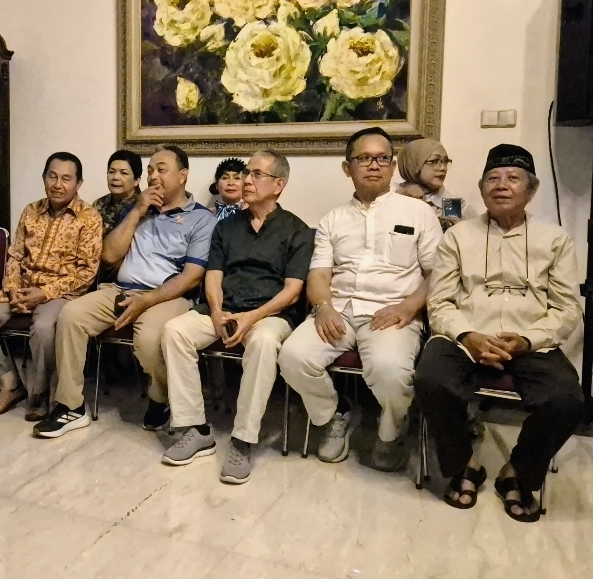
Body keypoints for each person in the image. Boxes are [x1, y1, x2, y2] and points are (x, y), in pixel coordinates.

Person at [416, 144, 584, 522]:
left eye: (513, 178)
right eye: (492, 178)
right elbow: (439, 302)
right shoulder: (458, 237)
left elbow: (566, 308)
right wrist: (468, 336)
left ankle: (519, 471)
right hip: (465, 337)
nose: (501, 185)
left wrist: (527, 340)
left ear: (531, 190)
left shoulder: (554, 239)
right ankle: (465, 464)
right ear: (481, 189)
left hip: (531, 340)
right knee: (430, 379)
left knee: (566, 399)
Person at [278, 127, 442, 471]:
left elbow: (437, 273)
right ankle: (334, 414)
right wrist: (323, 307)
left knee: (391, 372)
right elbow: (319, 274)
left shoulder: (419, 213)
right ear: (347, 168)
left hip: (392, 313)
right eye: (364, 158)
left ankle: (390, 432)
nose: (374, 165)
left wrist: (408, 307)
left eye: (382, 158)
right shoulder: (333, 219)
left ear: (393, 166)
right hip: (339, 310)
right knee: (293, 357)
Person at [33, 145, 217, 438]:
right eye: (151, 170)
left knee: (149, 338)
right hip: (120, 289)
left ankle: (160, 396)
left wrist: (147, 300)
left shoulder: (202, 219)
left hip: (167, 296)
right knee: (71, 315)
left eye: (162, 170)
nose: (154, 176)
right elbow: (108, 254)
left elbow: (192, 277)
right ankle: (71, 406)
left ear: (183, 176)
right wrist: (137, 211)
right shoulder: (140, 209)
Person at [159, 150, 313, 483]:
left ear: (278, 185)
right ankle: (196, 429)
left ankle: (243, 439)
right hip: (224, 307)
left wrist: (252, 317)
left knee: (264, 341)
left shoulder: (297, 231)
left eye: (257, 174)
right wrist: (216, 312)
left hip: (270, 312)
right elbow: (213, 275)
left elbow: (292, 291)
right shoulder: (226, 227)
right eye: (247, 173)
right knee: (175, 330)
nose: (246, 180)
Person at [0, 153, 103, 420]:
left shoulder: (89, 218)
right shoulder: (31, 211)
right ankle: (10, 384)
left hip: (61, 294)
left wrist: (44, 293)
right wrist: (13, 287)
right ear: (44, 178)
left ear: (78, 184)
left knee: (45, 328)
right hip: (22, 289)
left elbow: (87, 272)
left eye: (66, 179)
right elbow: (15, 256)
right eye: (52, 176)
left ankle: (40, 392)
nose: (58, 184)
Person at [91, 150, 143, 285]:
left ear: (136, 180)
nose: (115, 177)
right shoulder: (98, 205)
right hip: (96, 273)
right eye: (111, 172)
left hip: (130, 277)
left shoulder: (144, 208)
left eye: (124, 173)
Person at [395, 138, 470, 228]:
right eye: (434, 161)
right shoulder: (391, 193)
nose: (443, 168)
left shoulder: (451, 201)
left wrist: (459, 228)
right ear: (413, 163)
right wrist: (402, 194)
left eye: (445, 161)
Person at [208, 157, 247, 221]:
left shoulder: (254, 213)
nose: (231, 183)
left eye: (237, 178)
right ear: (217, 185)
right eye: (225, 178)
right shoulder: (207, 214)